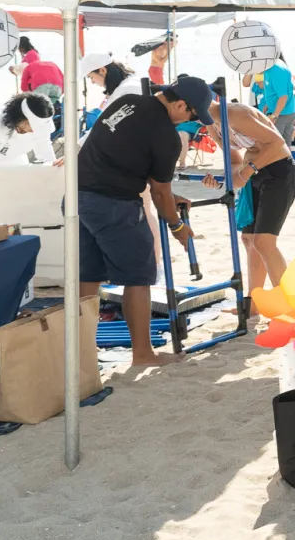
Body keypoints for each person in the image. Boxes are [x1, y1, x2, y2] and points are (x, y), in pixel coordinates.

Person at [76, 74, 214, 366]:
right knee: (138, 277)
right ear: (179, 104)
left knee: (88, 276)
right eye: (192, 114)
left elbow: (126, 156)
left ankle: (82, 352)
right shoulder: (166, 136)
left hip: (78, 197)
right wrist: (177, 226)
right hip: (115, 204)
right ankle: (143, 354)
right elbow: (159, 191)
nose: (191, 120)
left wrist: (169, 194)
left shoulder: (127, 102)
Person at [200, 96, 295, 296]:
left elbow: (277, 143)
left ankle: (290, 303)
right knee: (249, 239)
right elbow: (235, 160)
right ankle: (254, 302)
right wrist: (223, 180)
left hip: (279, 172)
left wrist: (245, 173)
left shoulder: (234, 113)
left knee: (264, 242)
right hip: (255, 174)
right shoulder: (210, 122)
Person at [0, 94, 56, 167]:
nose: (33, 130)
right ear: (20, 117)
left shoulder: (41, 127)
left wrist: (55, 167)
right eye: (32, 125)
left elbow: (46, 153)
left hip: (17, 161)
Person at [251, 55, 295, 144]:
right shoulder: (269, 68)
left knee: (275, 144)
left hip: (282, 113)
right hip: (281, 110)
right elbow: (276, 91)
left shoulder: (277, 71)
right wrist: (269, 104)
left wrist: (274, 116)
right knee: (283, 145)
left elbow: (283, 97)